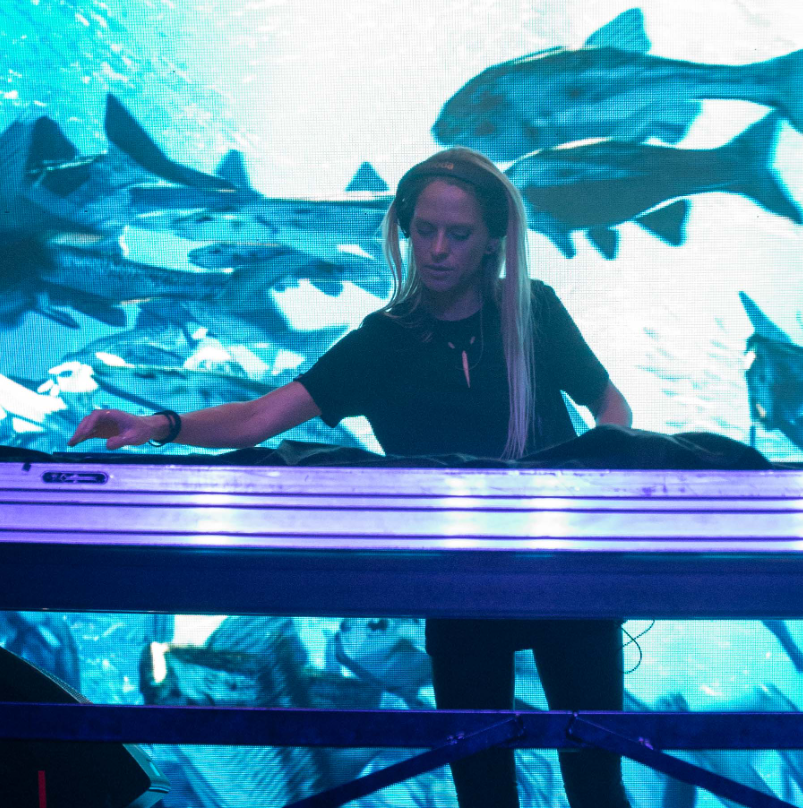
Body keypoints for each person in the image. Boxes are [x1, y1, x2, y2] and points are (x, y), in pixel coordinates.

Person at [71, 147, 634, 808]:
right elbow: (258, 418)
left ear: (492, 240)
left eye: (458, 234)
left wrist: (594, 480)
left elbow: (611, 407)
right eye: (424, 230)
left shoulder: (535, 311)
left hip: (566, 571)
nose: (438, 249)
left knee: (598, 784)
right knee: (483, 791)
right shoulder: (383, 342)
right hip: (461, 587)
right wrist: (160, 424)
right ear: (404, 229)